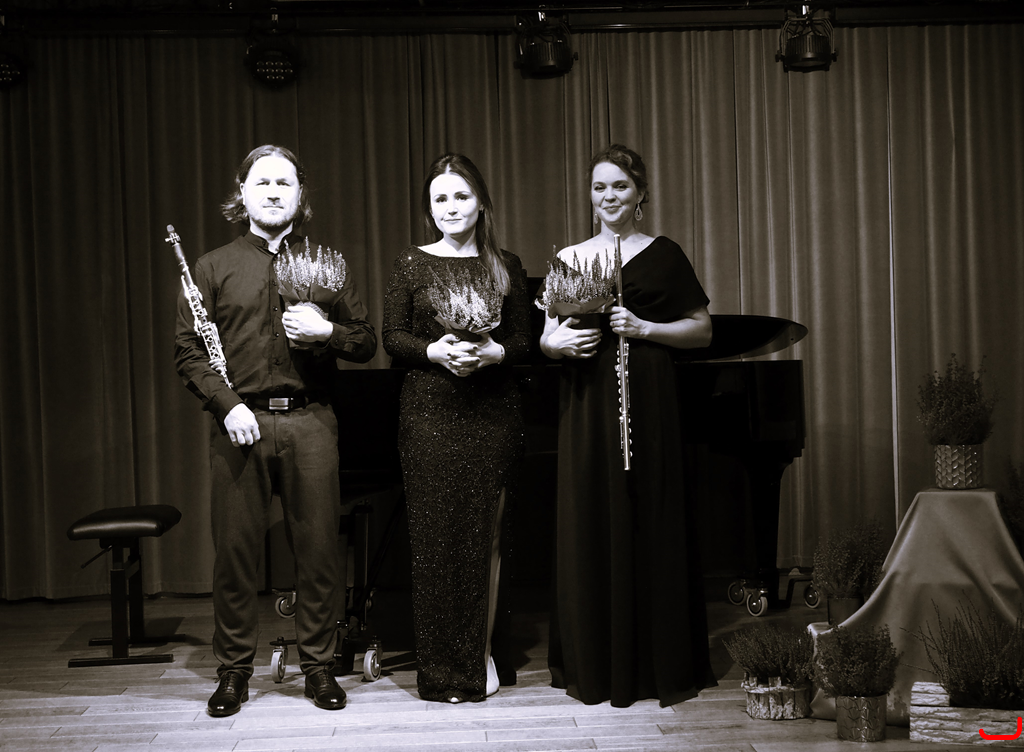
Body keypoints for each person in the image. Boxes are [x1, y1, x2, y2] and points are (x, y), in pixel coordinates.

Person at [174, 144, 377, 717]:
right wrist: (226, 405)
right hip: (239, 423)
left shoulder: (328, 265)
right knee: (235, 556)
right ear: (242, 193)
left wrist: (327, 333)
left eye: (284, 183)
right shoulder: (211, 267)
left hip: (311, 421)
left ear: (300, 195)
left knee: (319, 553)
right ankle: (234, 671)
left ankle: (318, 666)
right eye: (261, 182)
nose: (272, 191)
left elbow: (365, 342)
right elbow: (188, 352)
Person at [540, 144, 716, 707]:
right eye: (600, 187)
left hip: (652, 403)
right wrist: (554, 345)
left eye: (620, 186)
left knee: (651, 516)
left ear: (640, 193)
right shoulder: (570, 257)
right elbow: (546, 336)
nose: (609, 196)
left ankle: (656, 663)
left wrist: (644, 329)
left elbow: (702, 330)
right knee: (592, 518)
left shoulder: (665, 254)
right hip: (587, 406)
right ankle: (596, 662)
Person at [382, 153, 530, 703]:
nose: (450, 207)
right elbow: (391, 337)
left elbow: (524, 341)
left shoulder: (506, 265)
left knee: (486, 539)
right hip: (429, 416)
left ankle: (481, 655)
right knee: (435, 543)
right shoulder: (410, 262)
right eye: (440, 198)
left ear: (481, 203)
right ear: (429, 208)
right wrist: (434, 351)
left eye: (461, 196)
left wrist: (494, 353)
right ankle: (441, 668)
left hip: (492, 415)